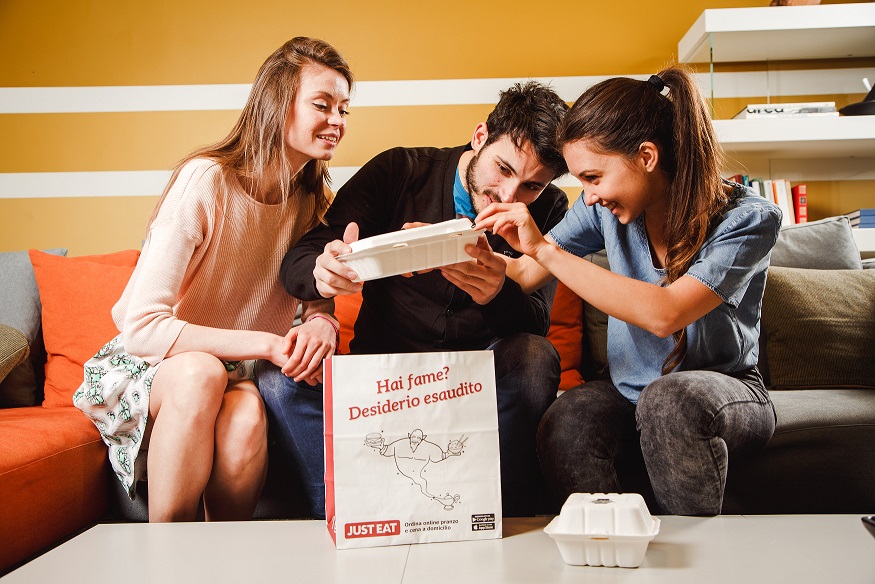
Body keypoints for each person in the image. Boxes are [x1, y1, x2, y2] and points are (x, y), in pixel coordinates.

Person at [475, 67, 781, 515]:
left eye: (593, 177)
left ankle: (697, 552)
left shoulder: (748, 219)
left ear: (647, 157)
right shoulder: (602, 210)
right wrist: (448, 252)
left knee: (669, 401)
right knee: (566, 422)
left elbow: (666, 314)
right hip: (627, 391)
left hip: (727, 390)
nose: (588, 196)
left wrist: (544, 249)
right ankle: (612, 540)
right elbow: (523, 272)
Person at [72, 37, 353, 522]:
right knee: (200, 373)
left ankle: (222, 555)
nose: (338, 121)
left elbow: (313, 300)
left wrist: (321, 322)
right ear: (277, 104)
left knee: (247, 418)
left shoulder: (311, 202)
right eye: (322, 105)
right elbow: (142, 328)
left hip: (235, 374)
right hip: (156, 366)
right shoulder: (206, 181)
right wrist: (269, 345)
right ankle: (167, 554)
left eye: (344, 109)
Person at [258, 81, 570, 518]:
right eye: (502, 169)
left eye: (531, 186)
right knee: (278, 377)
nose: (508, 196)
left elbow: (536, 324)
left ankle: (492, 514)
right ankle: (344, 510)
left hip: (473, 391)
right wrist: (323, 271)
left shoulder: (551, 208)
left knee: (535, 357)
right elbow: (304, 254)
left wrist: (498, 294)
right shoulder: (400, 170)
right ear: (480, 136)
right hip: (380, 382)